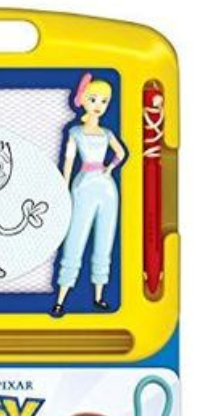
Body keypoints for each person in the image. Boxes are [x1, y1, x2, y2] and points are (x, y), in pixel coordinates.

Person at [52, 74, 127, 316]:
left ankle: (98, 297)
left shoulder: (107, 133)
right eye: (93, 99)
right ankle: (61, 299)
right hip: (83, 186)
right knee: (75, 239)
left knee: (105, 240)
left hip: (107, 189)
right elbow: (68, 162)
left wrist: (110, 168)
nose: (98, 105)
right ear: (83, 99)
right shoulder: (75, 132)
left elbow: (121, 154)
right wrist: (63, 187)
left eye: (104, 101)